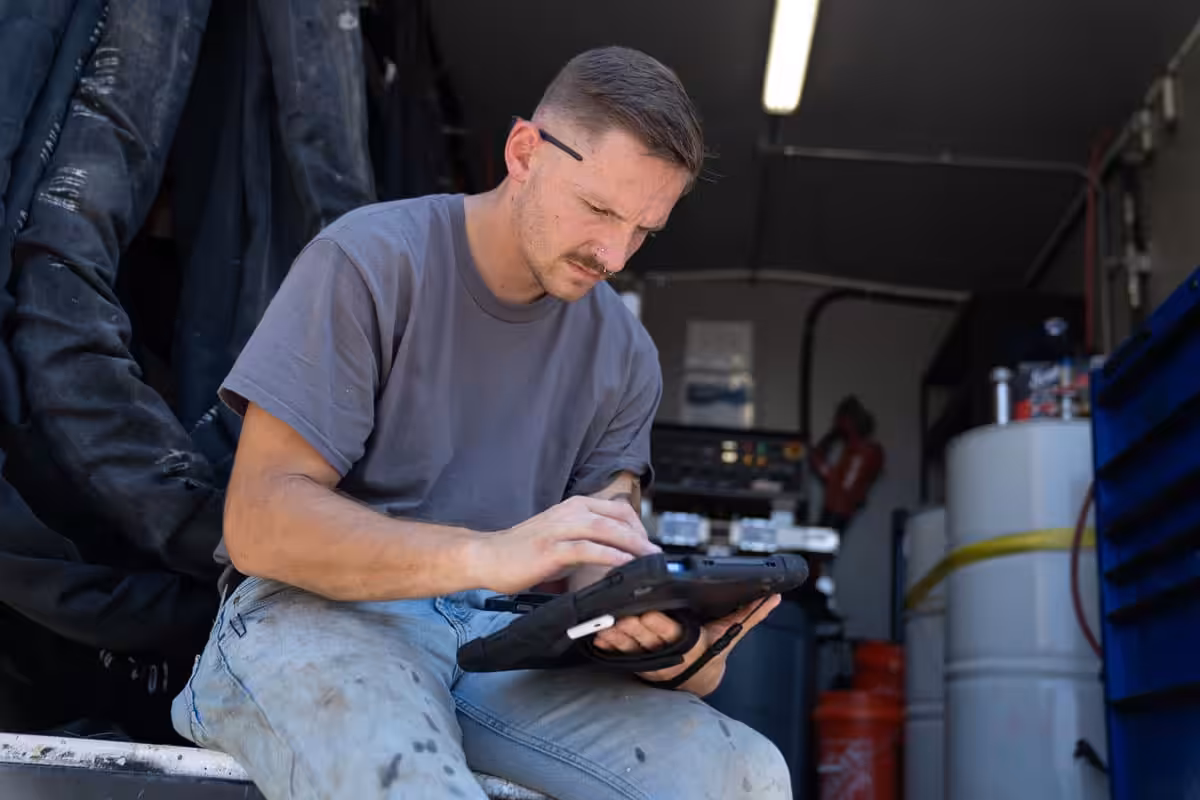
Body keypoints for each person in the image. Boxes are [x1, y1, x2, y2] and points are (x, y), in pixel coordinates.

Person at [171, 46, 791, 800]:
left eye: (643, 230)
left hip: (495, 649)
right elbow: (261, 522)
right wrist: (489, 555)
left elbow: (605, 547)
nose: (613, 253)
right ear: (524, 151)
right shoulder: (371, 258)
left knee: (748, 777)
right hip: (312, 623)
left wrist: (661, 635)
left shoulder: (625, 354)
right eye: (598, 209)